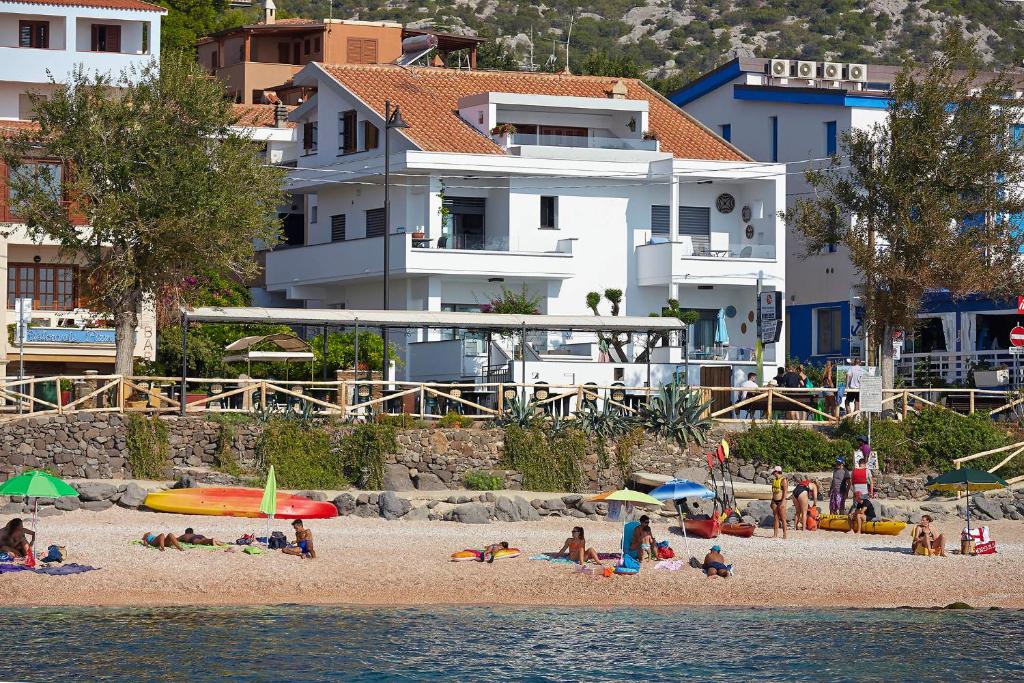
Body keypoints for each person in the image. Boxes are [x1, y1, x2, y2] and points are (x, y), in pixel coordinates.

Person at [770, 465, 788, 539]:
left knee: (783, 518)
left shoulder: (783, 480)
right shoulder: (774, 480)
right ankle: (775, 534)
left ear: (777, 472)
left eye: (774, 472)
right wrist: (772, 501)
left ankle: (785, 534)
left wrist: (783, 502)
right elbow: (773, 492)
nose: (773, 474)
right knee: (775, 517)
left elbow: (785, 492)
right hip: (774, 500)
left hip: (781, 501)